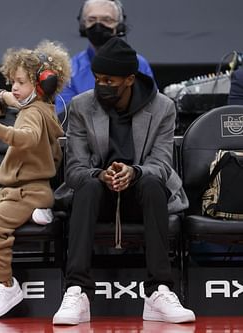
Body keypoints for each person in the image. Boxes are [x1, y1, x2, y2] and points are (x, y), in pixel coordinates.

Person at [52, 37, 195, 325]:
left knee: (154, 184)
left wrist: (135, 172)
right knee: (88, 185)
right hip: (96, 197)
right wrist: (101, 174)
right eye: (97, 78)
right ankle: (77, 290)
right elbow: (75, 170)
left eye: (109, 80)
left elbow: (162, 164)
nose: (101, 85)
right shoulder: (81, 106)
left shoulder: (163, 108)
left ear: (129, 79)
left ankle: (159, 292)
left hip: (141, 194)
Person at [0, 40, 70, 320]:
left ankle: (5, 285)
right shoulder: (41, 110)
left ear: (42, 85)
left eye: (21, 82)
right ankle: (39, 211)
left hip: (28, 191)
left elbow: (27, 138)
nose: (13, 88)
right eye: (12, 81)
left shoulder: (33, 113)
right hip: (17, 189)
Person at [55, 0, 154, 122]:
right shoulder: (70, 69)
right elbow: (64, 118)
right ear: (83, 25)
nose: (98, 26)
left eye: (107, 20)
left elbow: (151, 110)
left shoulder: (140, 64)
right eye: (91, 20)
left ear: (119, 26)